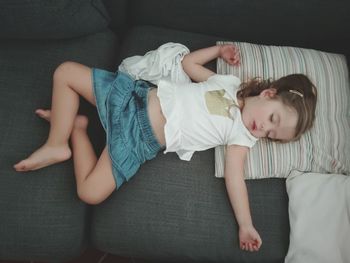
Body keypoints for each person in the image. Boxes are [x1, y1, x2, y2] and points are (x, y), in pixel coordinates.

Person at [13, 44, 317, 252]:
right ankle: (56, 144)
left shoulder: (242, 137)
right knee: (65, 71)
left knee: (89, 193)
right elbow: (188, 63)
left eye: (273, 135)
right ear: (268, 93)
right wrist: (219, 51)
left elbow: (235, 178)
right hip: (134, 97)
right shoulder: (227, 83)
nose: (264, 129)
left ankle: (77, 131)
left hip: (140, 139)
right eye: (272, 119)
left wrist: (246, 224)